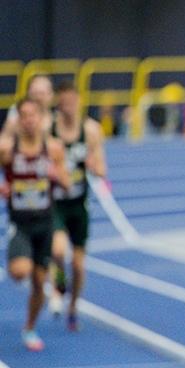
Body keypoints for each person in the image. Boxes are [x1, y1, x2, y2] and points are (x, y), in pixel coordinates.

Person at [0, 97, 70, 351]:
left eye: (33, 115)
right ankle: (26, 265)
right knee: (20, 272)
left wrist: (56, 175)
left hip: (45, 222)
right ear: (18, 120)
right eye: (24, 115)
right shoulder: (8, 148)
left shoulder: (53, 149)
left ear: (41, 119)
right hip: (20, 223)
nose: (29, 120)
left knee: (39, 284)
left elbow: (67, 183)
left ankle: (29, 327)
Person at [48, 81, 108, 330]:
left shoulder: (91, 130)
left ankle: (73, 307)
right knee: (59, 252)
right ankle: (59, 283)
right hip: (56, 203)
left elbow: (102, 169)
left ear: (79, 102)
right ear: (59, 105)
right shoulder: (49, 130)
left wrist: (95, 167)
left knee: (79, 265)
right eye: (65, 103)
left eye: (73, 102)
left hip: (79, 205)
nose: (70, 108)